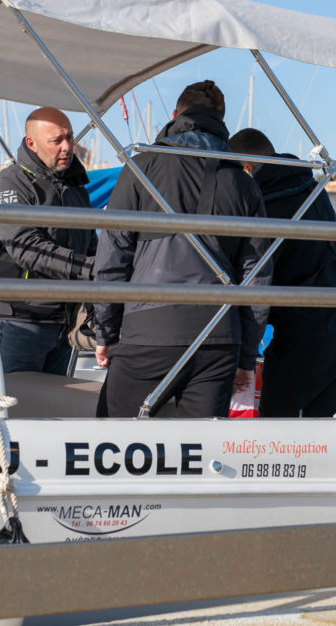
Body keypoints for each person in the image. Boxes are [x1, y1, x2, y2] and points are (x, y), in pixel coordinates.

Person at [92, 81, 271, 417]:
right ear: (222, 122)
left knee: (116, 443)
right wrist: (246, 357)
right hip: (218, 337)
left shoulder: (141, 168)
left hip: (149, 328)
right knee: (199, 454)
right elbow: (257, 278)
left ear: (174, 116)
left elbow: (113, 255)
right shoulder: (244, 183)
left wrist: (105, 331)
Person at [228, 128, 336, 417]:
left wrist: (244, 354)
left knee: (276, 432)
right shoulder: (312, 190)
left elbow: (257, 278)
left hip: (298, 335)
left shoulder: (269, 203)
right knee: (324, 435)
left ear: (247, 168)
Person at [0, 107, 96, 375]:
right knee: (15, 408)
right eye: (57, 141)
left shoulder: (74, 187)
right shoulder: (10, 182)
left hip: (65, 321)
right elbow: (26, 247)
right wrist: (89, 269)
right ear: (32, 143)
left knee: (52, 410)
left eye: (69, 138)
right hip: (22, 320)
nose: (67, 147)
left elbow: (90, 241)